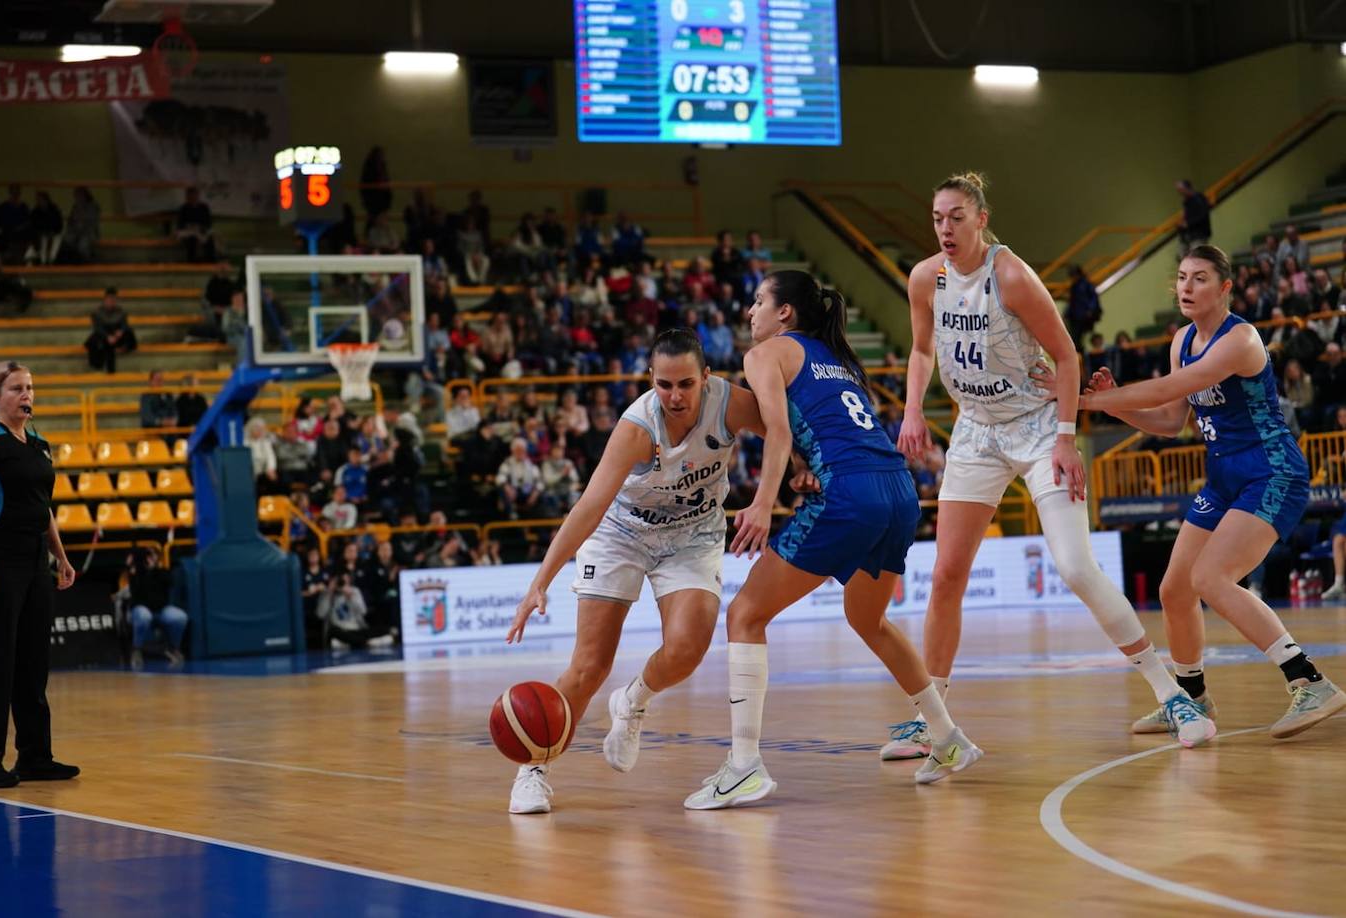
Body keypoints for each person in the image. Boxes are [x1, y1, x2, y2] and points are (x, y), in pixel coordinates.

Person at [886, 172, 1213, 764]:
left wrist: (1065, 440)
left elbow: (1067, 356)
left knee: (1075, 566)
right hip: (976, 431)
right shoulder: (924, 277)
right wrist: (912, 410)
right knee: (945, 576)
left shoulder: (1010, 275)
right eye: (937, 218)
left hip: (1038, 428)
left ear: (981, 218)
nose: (945, 227)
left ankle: (1174, 697)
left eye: (956, 216)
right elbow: (920, 349)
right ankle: (929, 717)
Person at [682, 271, 982, 811]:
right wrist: (807, 469)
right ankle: (947, 737)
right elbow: (831, 432)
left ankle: (744, 767)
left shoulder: (767, 354)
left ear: (785, 314)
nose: (750, 312)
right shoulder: (834, 357)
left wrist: (761, 501)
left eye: (758, 301)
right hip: (897, 490)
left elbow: (777, 430)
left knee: (745, 615)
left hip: (850, 494)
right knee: (869, 620)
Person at [1052, 245, 1345, 738]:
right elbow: (1170, 420)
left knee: (1211, 578)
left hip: (1270, 471)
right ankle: (1193, 700)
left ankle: (1310, 682)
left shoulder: (1241, 340)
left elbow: (1169, 390)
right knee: (1174, 589)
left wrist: (1085, 399)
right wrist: (1114, 406)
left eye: (1200, 278)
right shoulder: (1182, 340)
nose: (1186, 287)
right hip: (1224, 477)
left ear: (1225, 287)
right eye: (1183, 277)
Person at [504, 328, 770, 815]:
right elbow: (587, 508)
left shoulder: (731, 404)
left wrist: (796, 471)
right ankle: (533, 768)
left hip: (693, 534)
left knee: (688, 649)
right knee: (590, 666)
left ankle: (633, 701)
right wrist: (537, 583)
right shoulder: (635, 429)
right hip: (620, 534)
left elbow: (786, 428)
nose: (674, 395)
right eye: (664, 384)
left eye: (686, 384)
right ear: (651, 380)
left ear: (706, 378)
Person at [0, 361, 79, 787]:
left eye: (30, 387)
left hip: (36, 560)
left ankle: (35, 757)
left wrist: (62, 557)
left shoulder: (39, 444)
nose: (26, 395)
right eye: (16, 388)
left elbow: (43, 507)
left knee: (34, 660)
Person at [123, 546, 187, 668]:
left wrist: (153, 569)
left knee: (180, 617)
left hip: (160, 610)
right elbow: (136, 593)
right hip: (139, 610)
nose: (150, 558)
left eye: (153, 555)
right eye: (148, 556)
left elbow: (170, 581)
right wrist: (134, 569)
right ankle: (137, 649)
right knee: (144, 615)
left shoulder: (161, 572)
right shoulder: (136, 575)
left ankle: (173, 648)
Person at [85, 287, 137, 374]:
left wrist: (121, 331)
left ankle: (123, 348)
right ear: (105, 300)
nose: (111, 302)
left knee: (129, 332)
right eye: (109, 299)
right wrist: (107, 336)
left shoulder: (121, 311)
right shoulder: (97, 313)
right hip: (104, 337)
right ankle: (108, 370)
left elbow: (125, 325)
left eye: (114, 300)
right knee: (102, 343)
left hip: (117, 336)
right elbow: (97, 328)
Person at [1176, 179, 1212, 254]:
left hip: (1199, 234)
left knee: (1196, 256)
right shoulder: (1186, 202)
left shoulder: (1198, 198)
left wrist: (1188, 223)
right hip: (1188, 235)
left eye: (1181, 190)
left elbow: (1203, 215)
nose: (1180, 193)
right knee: (1184, 256)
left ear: (1187, 188)